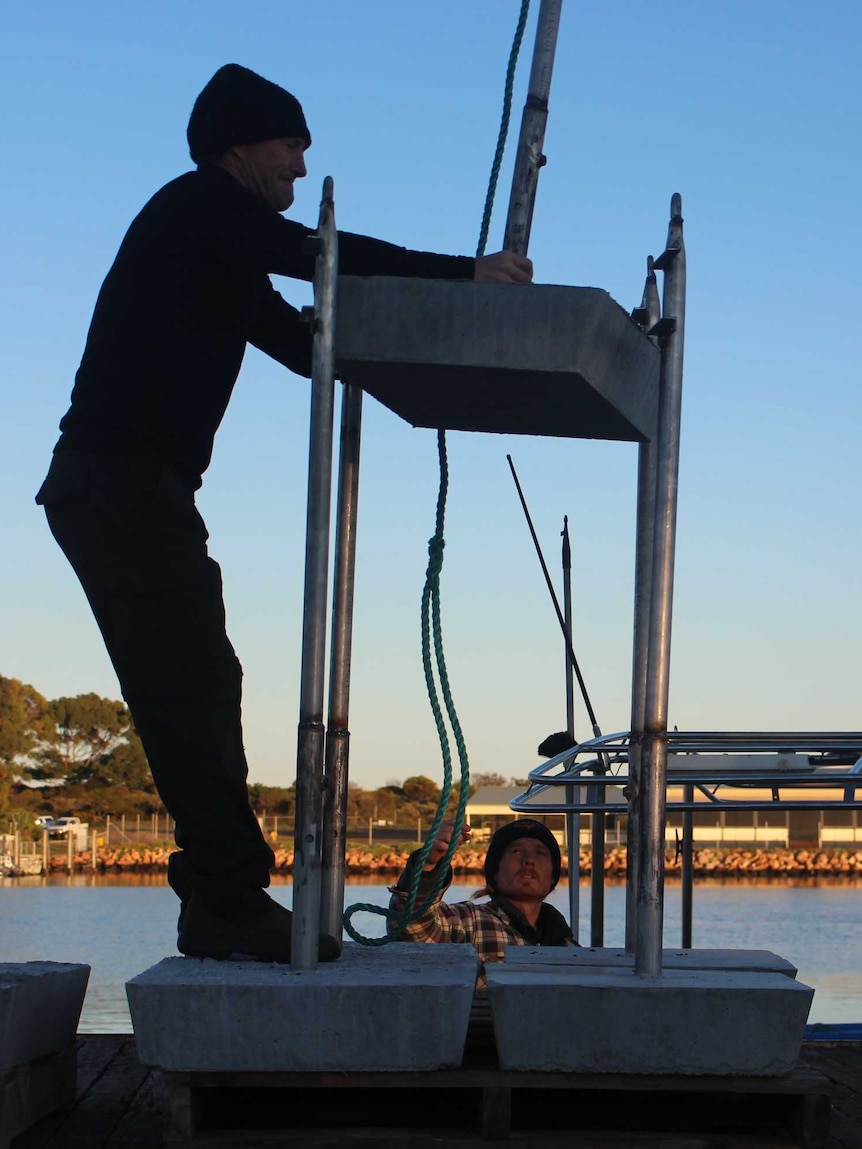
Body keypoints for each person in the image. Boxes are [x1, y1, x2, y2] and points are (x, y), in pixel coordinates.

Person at [35, 64, 533, 965]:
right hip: (116, 484)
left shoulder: (218, 251)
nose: (299, 172)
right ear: (241, 142)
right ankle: (226, 898)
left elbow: (312, 349)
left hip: (136, 491)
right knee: (187, 683)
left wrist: (431, 353)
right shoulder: (196, 207)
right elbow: (320, 255)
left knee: (202, 678)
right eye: (291, 151)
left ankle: (220, 896)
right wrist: (467, 276)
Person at [389, 817, 574, 964]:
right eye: (516, 851)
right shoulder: (467, 922)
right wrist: (428, 864)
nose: (528, 860)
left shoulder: (568, 947)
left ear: (552, 876)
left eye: (540, 853)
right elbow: (413, 928)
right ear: (494, 872)